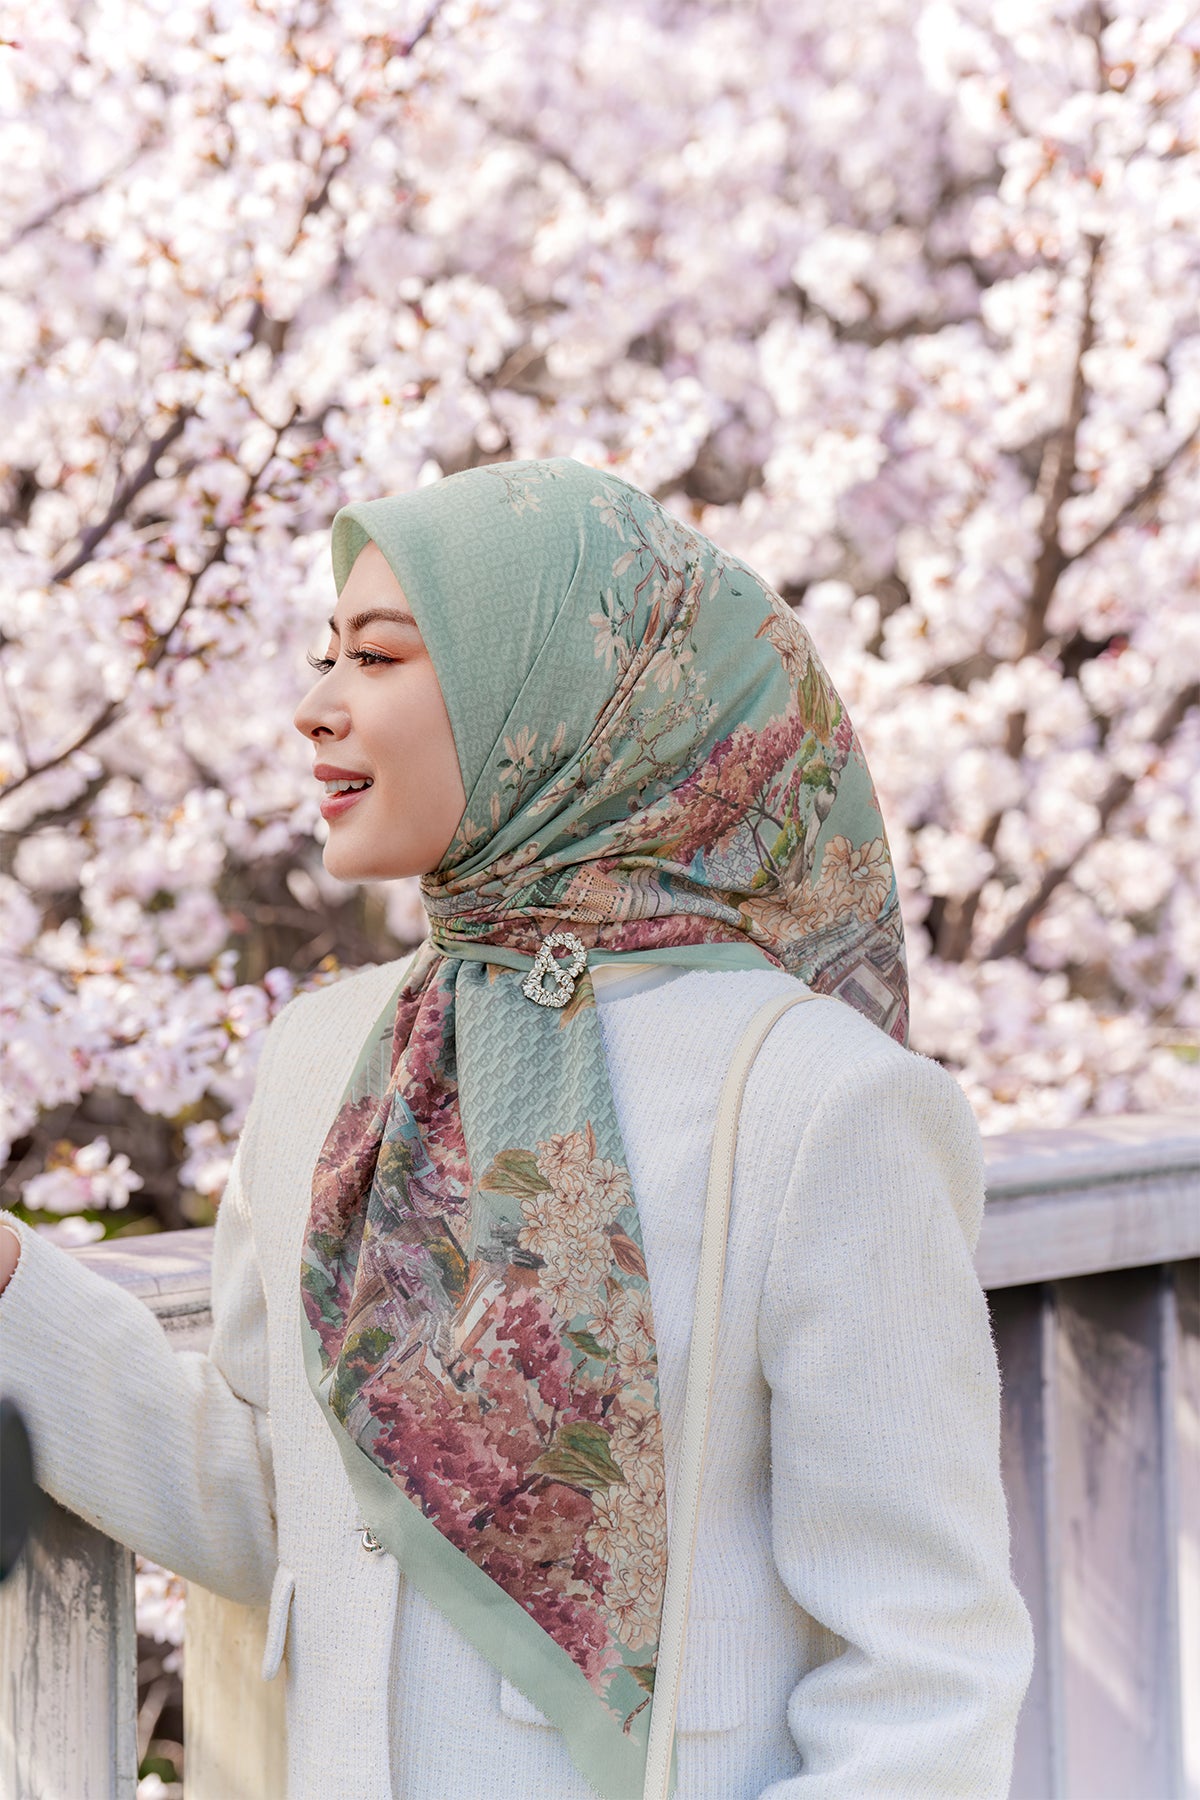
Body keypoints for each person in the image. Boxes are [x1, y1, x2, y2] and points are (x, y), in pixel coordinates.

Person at [0, 456, 1034, 1799]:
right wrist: (16, 1287)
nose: (315, 708)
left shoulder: (814, 1099)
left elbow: (928, 1670)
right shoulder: (327, 1057)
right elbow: (279, 1505)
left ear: (561, 695)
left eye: (378, 656)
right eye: (325, 656)